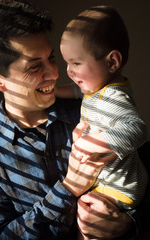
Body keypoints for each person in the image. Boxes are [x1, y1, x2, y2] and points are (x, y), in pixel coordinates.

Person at [0, 1, 149, 240]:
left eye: (52, 58)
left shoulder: (91, 108)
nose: (55, 74)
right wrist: (68, 189)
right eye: (34, 66)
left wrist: (130, 222)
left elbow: (140, 167)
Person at [57, 5, 149, 239]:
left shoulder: (113, 98)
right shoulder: (98, 87)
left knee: (87, 219)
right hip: (109, 180)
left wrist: (93, 143)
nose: (69, 70)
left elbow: (137, 129)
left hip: (119, 185)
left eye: (76, 63)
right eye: (67, 63)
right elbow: (78, 93)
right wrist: (53, 93)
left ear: (112, 62)